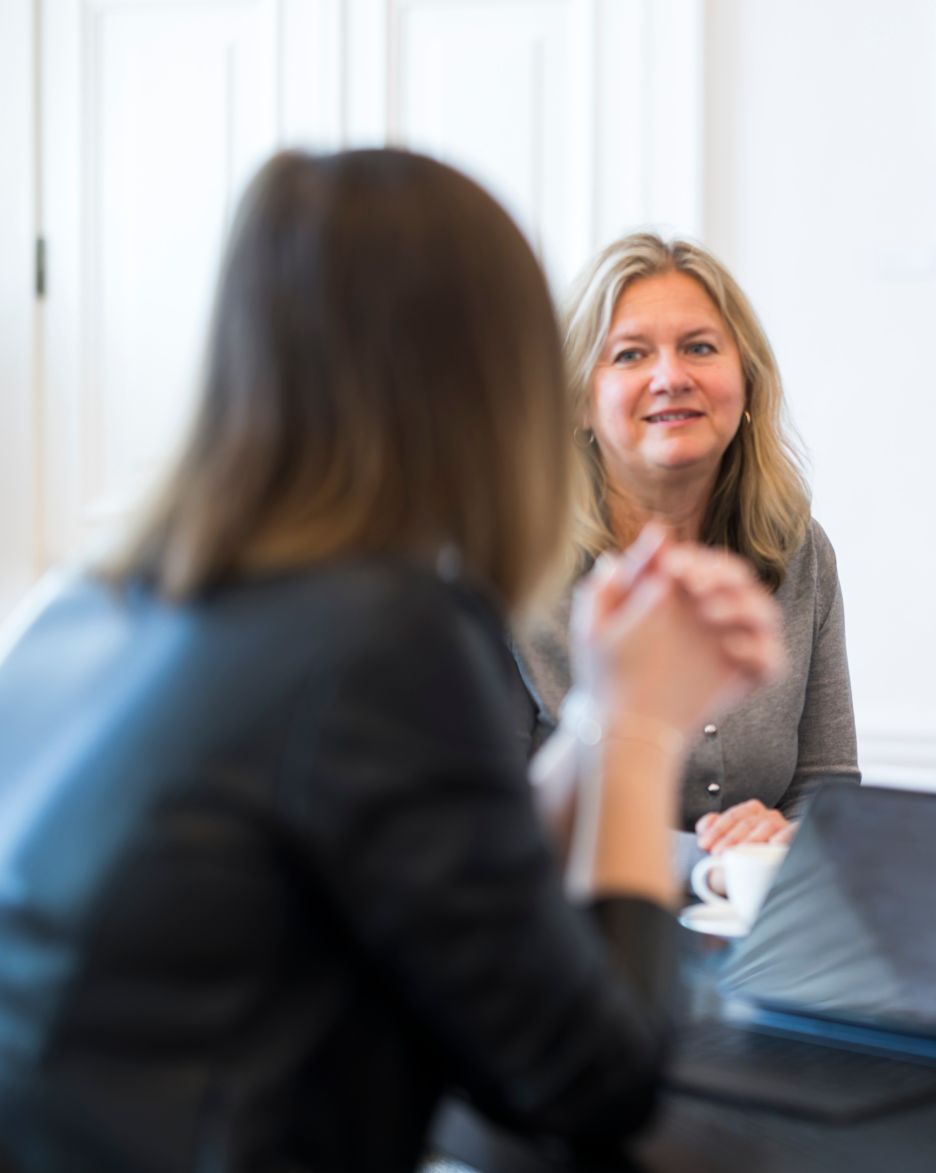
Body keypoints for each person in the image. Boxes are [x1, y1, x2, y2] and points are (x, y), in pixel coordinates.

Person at [0, 149, 784, 1170]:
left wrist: (597, 711)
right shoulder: (377, 636)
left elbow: (455, 863)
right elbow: (594, 1081)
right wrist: (639, 731)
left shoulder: (85, 607)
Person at [512, 232, 858, 854]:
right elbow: (491, 826)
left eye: (699, 348)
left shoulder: (799, 550)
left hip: (752, 933)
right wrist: (707, 861)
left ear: (746, 383)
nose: (671, 377)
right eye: (629, 356)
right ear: (581, 404)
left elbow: (827, 790)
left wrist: (785, 838)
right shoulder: (512, 568)